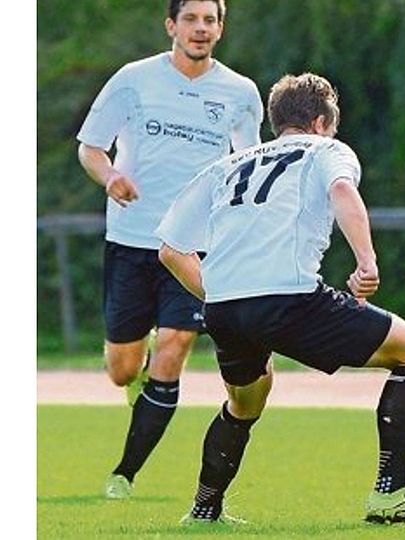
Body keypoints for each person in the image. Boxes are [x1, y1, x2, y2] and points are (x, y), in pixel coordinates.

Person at [156, 73, 405, 526]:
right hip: (290, 297)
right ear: (321, 122)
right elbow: (343, 191)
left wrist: (221, 295)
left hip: (224, 308)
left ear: (276, 121)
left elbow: (169, 249)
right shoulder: (327, 150)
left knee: (245, 404)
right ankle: (391, 495)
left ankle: (204, 511)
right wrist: (366, 261)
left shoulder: (228, 165)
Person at [76, 0, 263, 500]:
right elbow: (90, 147)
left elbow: (249, 167)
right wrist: (111, 175)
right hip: (131, 241)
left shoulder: (241, 93)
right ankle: (136, 387)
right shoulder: (133, 79)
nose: (200, 28)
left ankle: (124, 473)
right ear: (171, 26)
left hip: (193, 247)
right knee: (121, 368)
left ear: (220, 29)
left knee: (175, 346)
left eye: (210, 20)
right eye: (191, 19)